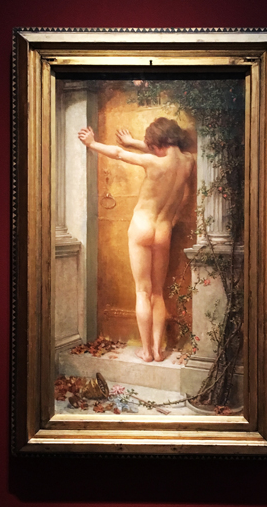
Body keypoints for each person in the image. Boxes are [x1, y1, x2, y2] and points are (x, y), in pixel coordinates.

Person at [78, 117, 195, 362]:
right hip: (163, 230)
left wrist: (92, 144)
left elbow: (118, 154)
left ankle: (146, 351)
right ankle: (159, 350)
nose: (150, 149)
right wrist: (134, 142)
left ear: (157, 144)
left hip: (142, 227)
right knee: (157, 293)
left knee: (142, 291)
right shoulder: (188, 161)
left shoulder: (152, 162)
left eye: (151, 145)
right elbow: (167, 153)